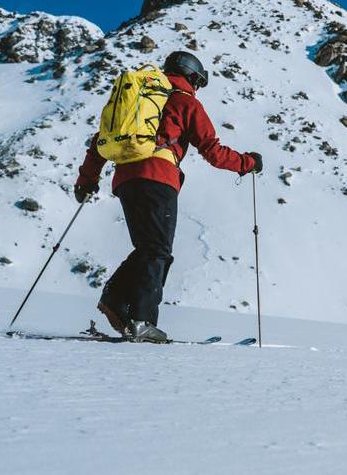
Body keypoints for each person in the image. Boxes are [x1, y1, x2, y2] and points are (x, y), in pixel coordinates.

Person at [73, 50, 262, 342]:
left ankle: (117, 302)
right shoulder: (186, 102)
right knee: (157, 251)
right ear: (191, 76)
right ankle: (141, 320)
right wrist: (247, 163)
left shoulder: (137, 100)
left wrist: (87, 180)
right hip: (158, 178)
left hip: (125, 178)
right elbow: (212, 151)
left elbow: (100, 143)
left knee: (148, 247)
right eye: (197, 81)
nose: (197, 88)